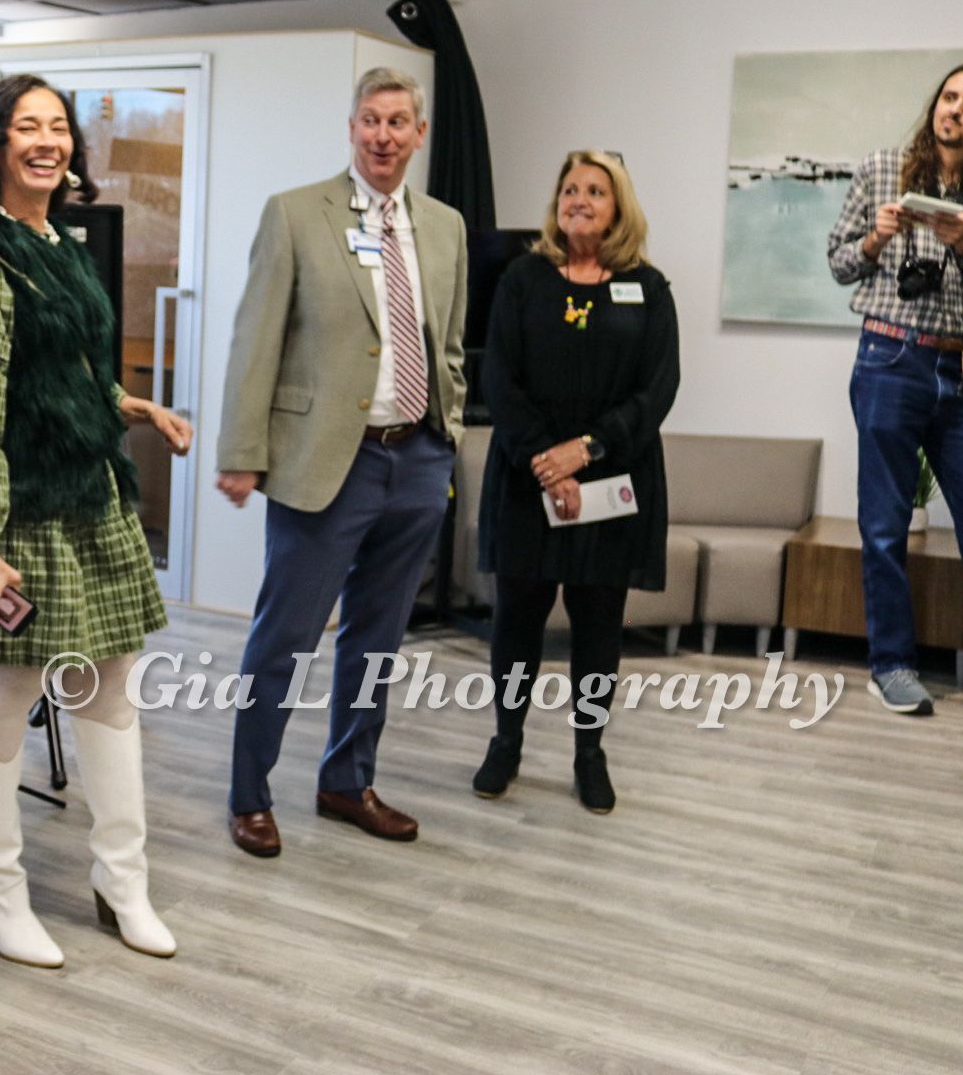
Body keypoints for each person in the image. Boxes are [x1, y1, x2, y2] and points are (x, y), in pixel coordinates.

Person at [0, 74, 194, 969]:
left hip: (88, 503)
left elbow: (55, 371)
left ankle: (122, 883)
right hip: (12, 519)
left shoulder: (56, 241)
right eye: (26, 126)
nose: (47, 140)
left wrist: (128, 403)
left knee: (110, 693)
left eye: (57, 126)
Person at [215, 67, 466, 858]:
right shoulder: (295, 214)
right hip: (329, 462)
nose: (383, 136)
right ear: (351, 128)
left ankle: (345, 781)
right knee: (284, 636)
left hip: (417, 457)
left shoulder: (447, 225)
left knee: (379, 638)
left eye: (398, 122)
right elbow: (255, 340)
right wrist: (242, 453)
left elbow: (446, 339)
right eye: (370, 121)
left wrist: (447, 429)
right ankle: (249, 795)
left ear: (419, 134)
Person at [826, 60, 963, 727]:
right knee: (885, 527)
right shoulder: (882, 168)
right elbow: (838, 262)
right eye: (949, 97)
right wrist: (876, 237)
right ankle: (891, 667)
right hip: (889, 356)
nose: (954, 110)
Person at [471, 151, 679, 813]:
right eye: (569, 188)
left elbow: (658, 390)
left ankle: (590, 752)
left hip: (610, 482)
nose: (579, 199)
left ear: (619, 207)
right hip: (527, 482)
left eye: (595, 190)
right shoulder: (523, 281)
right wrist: (544, 459)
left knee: (597, 629)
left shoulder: (647, 289)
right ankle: (506, 741)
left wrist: (583, 453)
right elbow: (498, 380)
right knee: (516, 623)